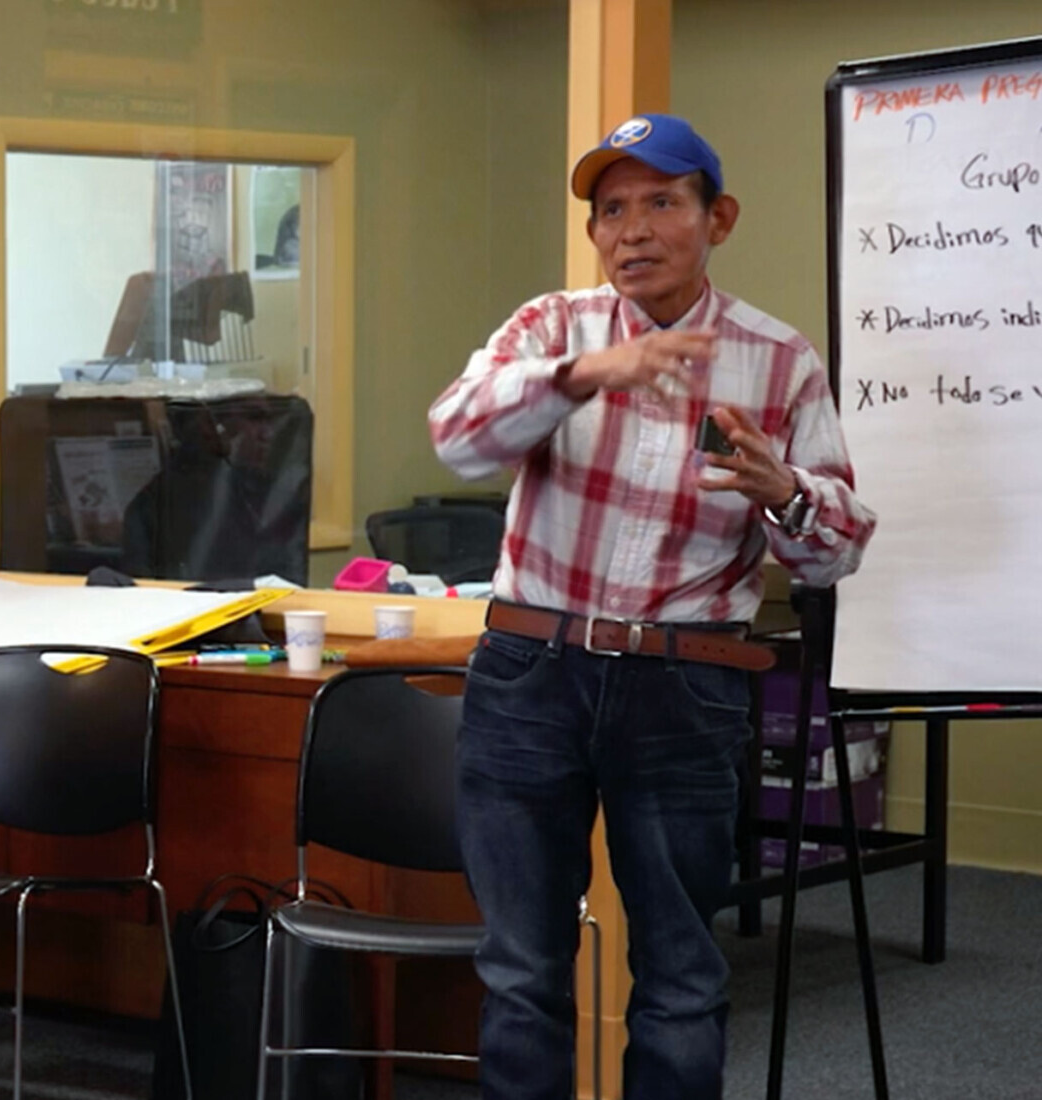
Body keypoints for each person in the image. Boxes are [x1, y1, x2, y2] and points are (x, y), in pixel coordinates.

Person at [429, 114, 877, 1099]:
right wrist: (587, 374)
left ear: (717, 217)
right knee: (520, 966)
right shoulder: (554, 328)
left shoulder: (779, 359)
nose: (630, 228)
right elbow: (456, 437)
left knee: (679, 971)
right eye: (610, 210)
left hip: (684, 686)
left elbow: (838, 544)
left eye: (660, 202)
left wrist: (782, 489)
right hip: (531, 677)